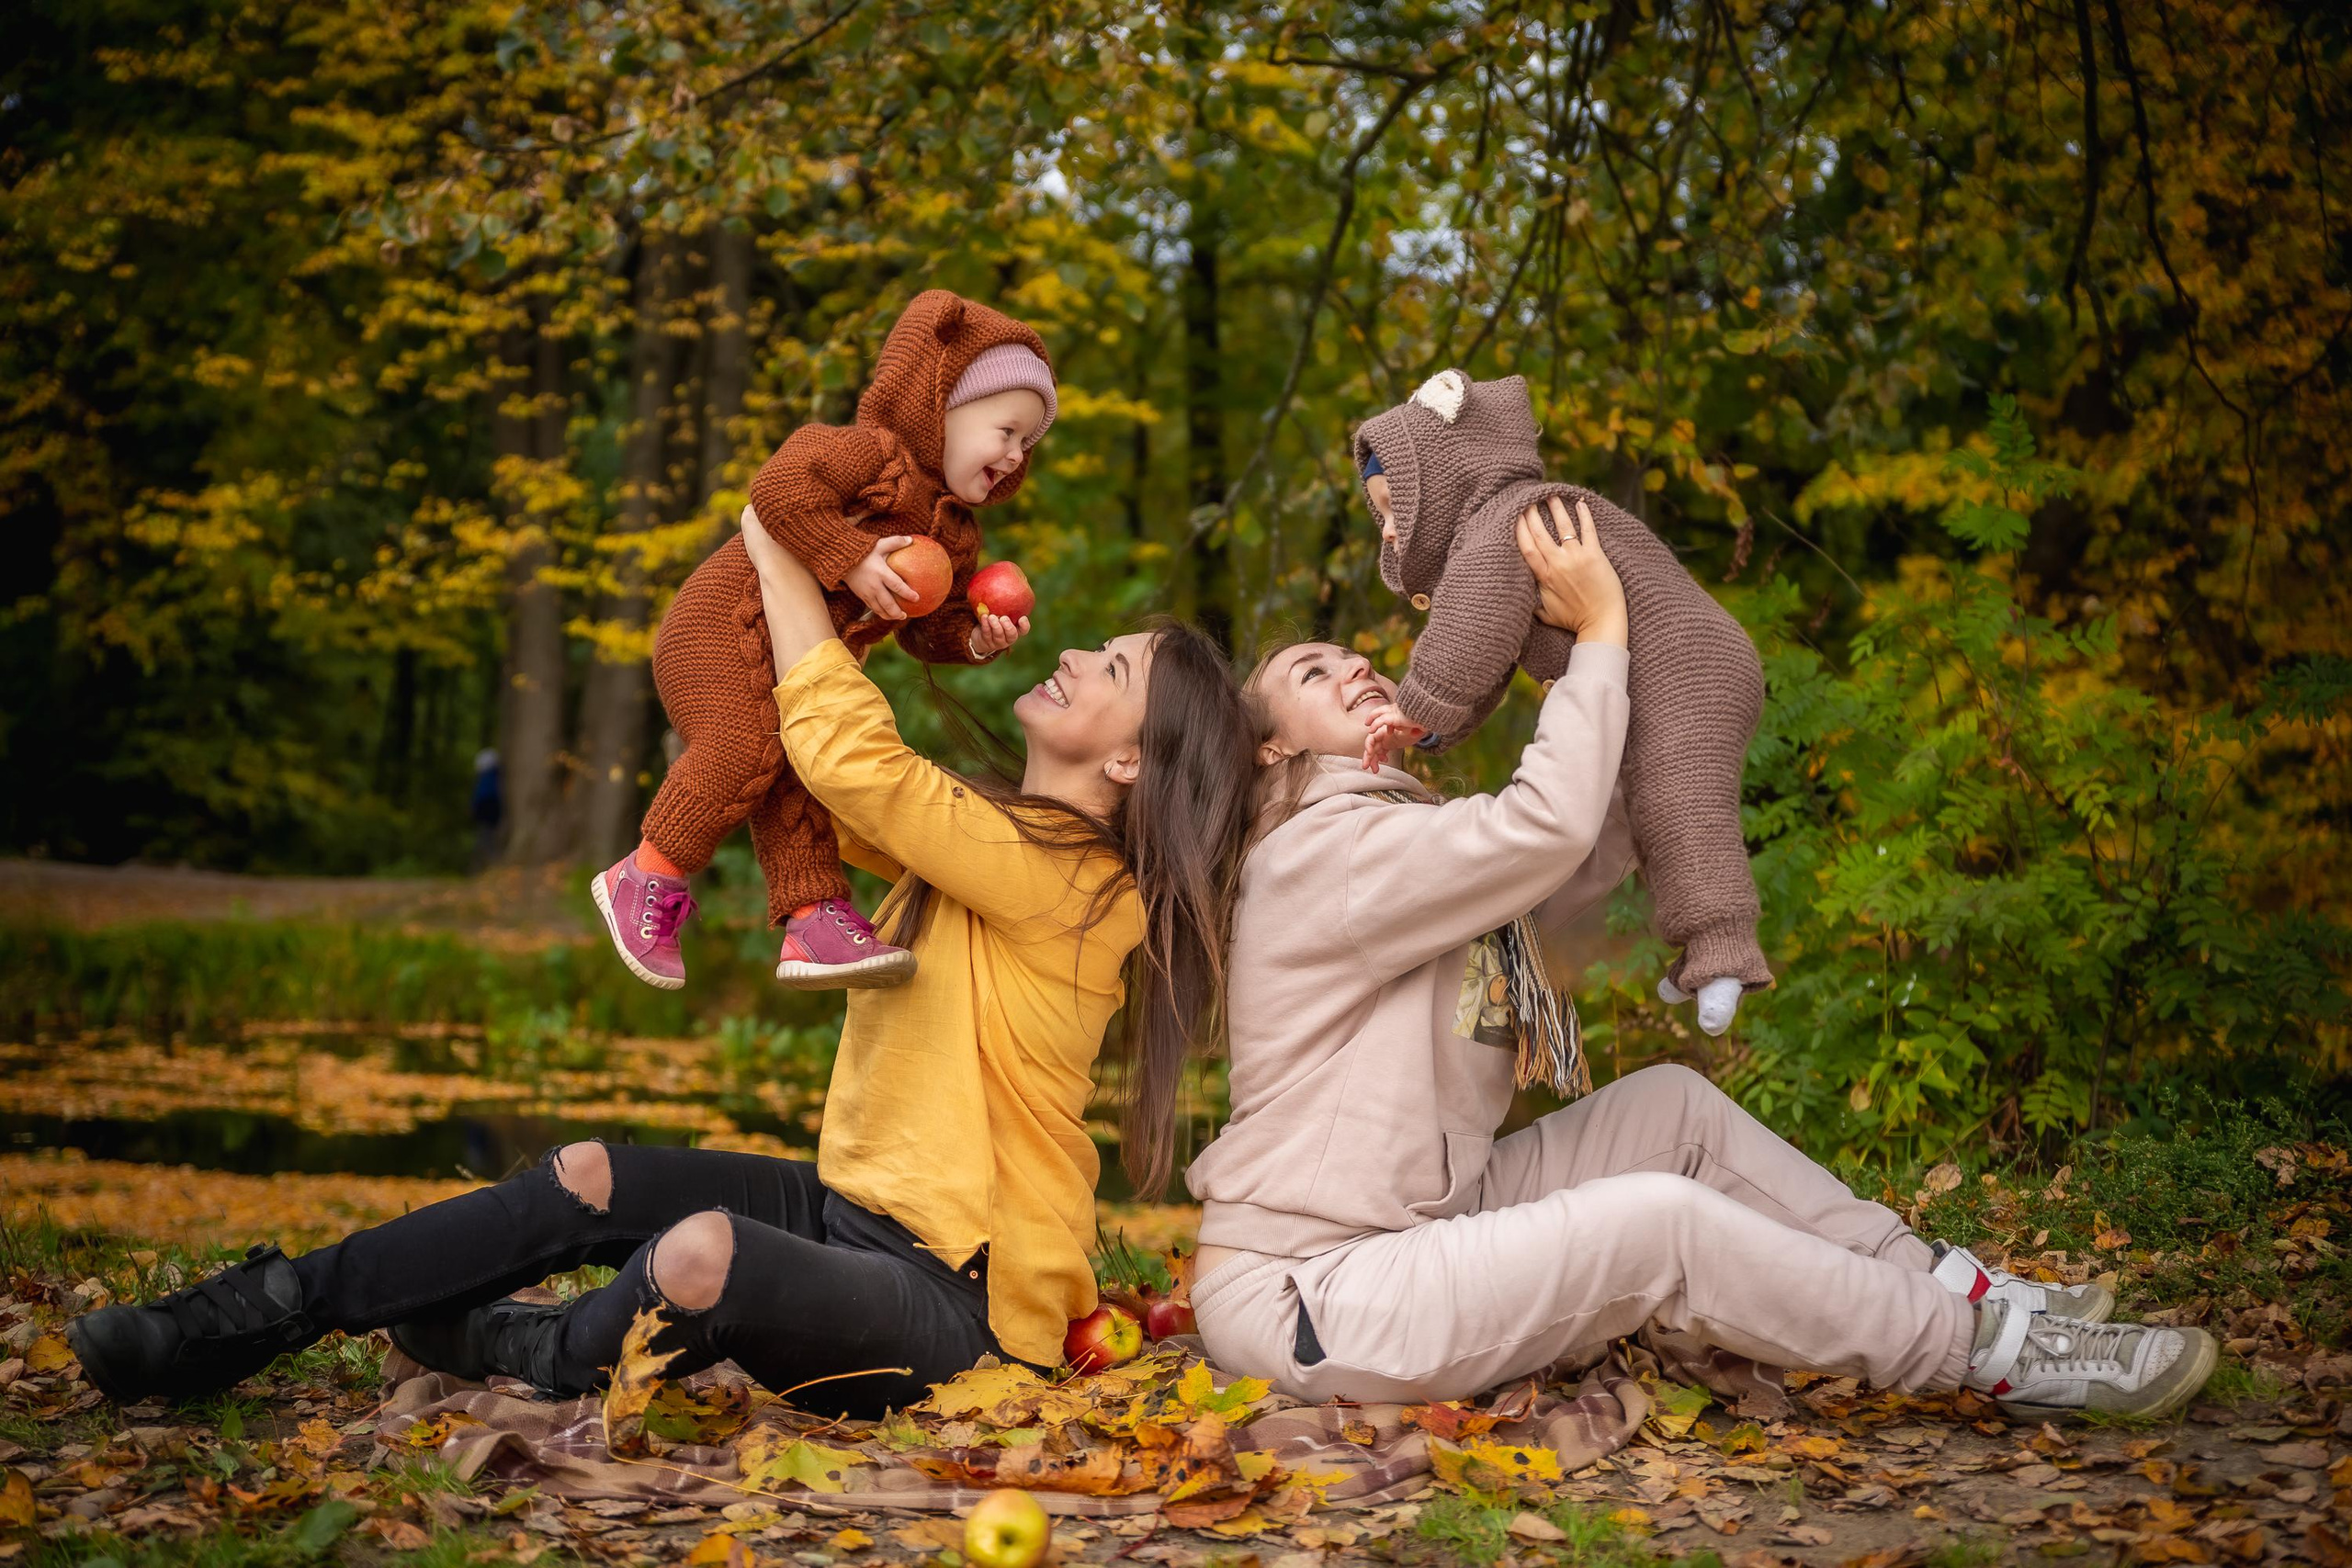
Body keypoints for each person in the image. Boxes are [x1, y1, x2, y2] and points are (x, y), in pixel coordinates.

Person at [69, 507, 1261, 1418]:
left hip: (968, 1304)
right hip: (859, 1212)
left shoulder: (1079, 885)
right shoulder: (985, 836)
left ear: (1132, 767)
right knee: (584, 1171)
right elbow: (805, 770)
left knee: (702, 1255)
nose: (1078, 656)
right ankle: (242, 1316)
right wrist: (874, 599)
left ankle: (518, 1344)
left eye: (1116, 666)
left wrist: (788, 543)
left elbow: (859, 766)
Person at [1183, 495, 2216, 1421]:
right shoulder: (1321, 850)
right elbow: (1540, 828)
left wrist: (1674, 708)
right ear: (1271, 750)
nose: (1355, 666)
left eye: (1347, 653)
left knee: (1667, 1107)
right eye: (1312, 674)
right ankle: (1990, 1353)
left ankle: (1950, 1287)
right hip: (1312, 1287)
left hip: (1414, 1221)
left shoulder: (1395, 840)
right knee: (1658, 1225)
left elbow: (1566, 880)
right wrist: (1598, 634)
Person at [595, 290, 1056, 995]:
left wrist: (974, 638)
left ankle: (813, 918)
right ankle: (646, 870)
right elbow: (777, 489)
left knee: (798, 767)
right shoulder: (868, 455)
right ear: (940, 404)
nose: (1015, 453)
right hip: (720, 627)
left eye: (1029, 442)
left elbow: (924, 629)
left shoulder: (957, 536)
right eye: (1006, 429)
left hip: (790, 665)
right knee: (749, 745)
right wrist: (850, 556)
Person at [1350, 369, 1770, 1036]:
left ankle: (1723, 947)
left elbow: (1469, 636)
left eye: (1396, 505)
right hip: (1669, 667)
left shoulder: (1509, 523)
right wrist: (1428, 727)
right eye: (1383, 514)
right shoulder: (1503, 530)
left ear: (1445, 480)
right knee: (1637, 805)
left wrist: (1416, 702)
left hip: (1690, 666)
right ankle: (1695, 950)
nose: (1392, 530)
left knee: (1676, 796)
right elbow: (1488, 662)